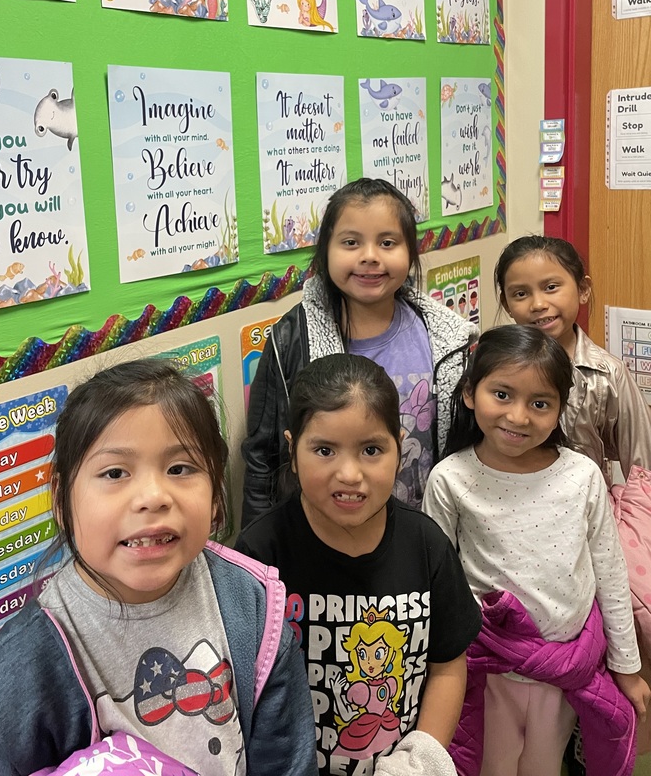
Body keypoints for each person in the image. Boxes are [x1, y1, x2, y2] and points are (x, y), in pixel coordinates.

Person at [0, 359, 317, 776]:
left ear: (217, 494)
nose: (152, 496)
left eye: (180, 469)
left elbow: (289, 763)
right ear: (61, 499)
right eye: (115, 472)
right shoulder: (27, 665)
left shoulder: (253, 608)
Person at [236, 353, 481, 774]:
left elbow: (447, 665)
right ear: (293, 450)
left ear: (399, 447)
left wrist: (418, 762)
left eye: (371, 449)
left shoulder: (426, 545)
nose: (349, 474)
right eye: (324, 450)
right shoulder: (260, 554)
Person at [422, 326, 650, 776]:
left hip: (568, 667)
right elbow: (437, 586)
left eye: (540, 403)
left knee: (546, 767)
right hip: (487, 673)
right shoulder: (449, 479)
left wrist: (627, 665)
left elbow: (608, 574)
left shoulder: (581, 475)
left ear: (560, 409)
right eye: (502, 394)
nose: (519, 417)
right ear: (470, 393)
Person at [241, 177, 478, 526]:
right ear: (325, 252)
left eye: (387, 242)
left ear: (411, 253)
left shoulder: (448, 337)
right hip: (324, 533)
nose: (370, 257)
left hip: (425, 529)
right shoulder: (291, 339)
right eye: (351, 242)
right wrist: (258, 558)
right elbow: (263, 454)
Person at [494, 234, 651, 478]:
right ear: (507, 304)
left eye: (551, 288)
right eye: (521, 294)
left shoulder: (608, 374)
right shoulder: (492, 369)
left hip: (584, 509)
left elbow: (643, 471)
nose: (538, 304)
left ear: (582, 289)